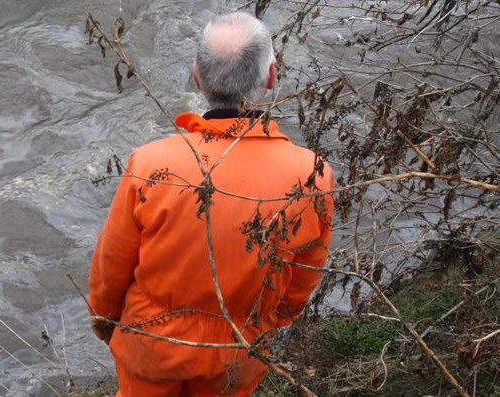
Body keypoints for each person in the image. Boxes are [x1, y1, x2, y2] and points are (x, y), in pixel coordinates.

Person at [87, 12, 334, 397]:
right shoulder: (312, 174)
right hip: (238, 347)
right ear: (271, 76)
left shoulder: (152, 162)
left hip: (151, 342)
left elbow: (113, 261)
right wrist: (269, 323)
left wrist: (106, 320)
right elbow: (304, 270)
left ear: (197, 77)